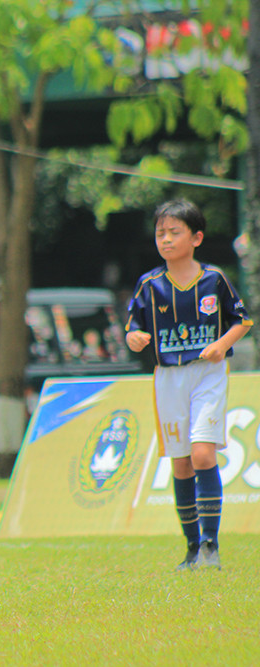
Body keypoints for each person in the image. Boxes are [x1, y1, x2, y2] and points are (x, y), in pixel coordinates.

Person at [125, 199, 252, 571]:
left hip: (207, 374)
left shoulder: (215, 279)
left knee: (202, 456)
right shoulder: (149, 284)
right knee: (180, 464)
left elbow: (242, 320)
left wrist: (221, 345)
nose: (165, 240)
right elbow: (133, 325)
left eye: (174, 232)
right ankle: (192, 547)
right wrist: (134, 337)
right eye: (160, 233)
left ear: (196, 237)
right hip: (169, 379)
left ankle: (211, 544)